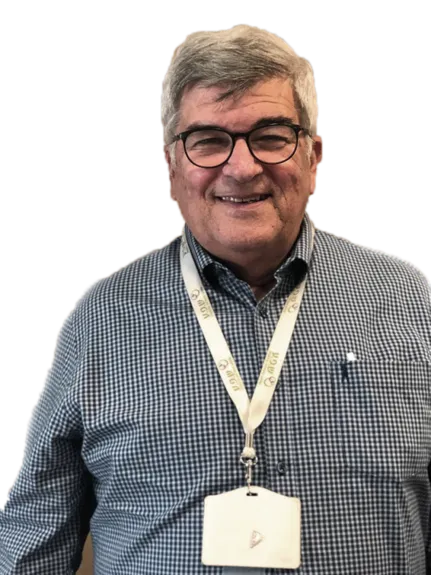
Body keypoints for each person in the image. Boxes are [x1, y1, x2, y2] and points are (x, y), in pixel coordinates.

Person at [1, 23, 430, 575]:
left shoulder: (412, 301)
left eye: (271, 136)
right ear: (172, 166)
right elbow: (34, 531)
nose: (242, 167)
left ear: (313, 157)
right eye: (207, 140)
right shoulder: (101, 317)